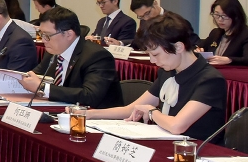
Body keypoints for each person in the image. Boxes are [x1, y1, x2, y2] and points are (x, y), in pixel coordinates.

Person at [87, 13, 226, 142]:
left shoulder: (210, 80)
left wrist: (152, 112)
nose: (152, 61)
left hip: (197, 153)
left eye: (155, 54)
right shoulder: (168, 71)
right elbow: (132, 108)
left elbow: (177, 125)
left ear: (178, 47)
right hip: (169, 144)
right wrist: (89, 114)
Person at [16, 7, 122, 107]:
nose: (43, 40)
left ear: (69, 34)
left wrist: (43, 88)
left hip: (96, 119)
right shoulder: (53, 52)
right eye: (41, 34)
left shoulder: (97, 56)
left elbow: (90, 96)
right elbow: (35, 75)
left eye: (47, 35)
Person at [200, 0, 248, 67]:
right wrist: (198, 50)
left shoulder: (245, 34)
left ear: (236, 16)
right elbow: (199, 46)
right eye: (217, 15)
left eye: (224, 16)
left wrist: (229, 60)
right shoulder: (215, 33)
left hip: (232, 75)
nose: (220, 20)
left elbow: (246, 59)